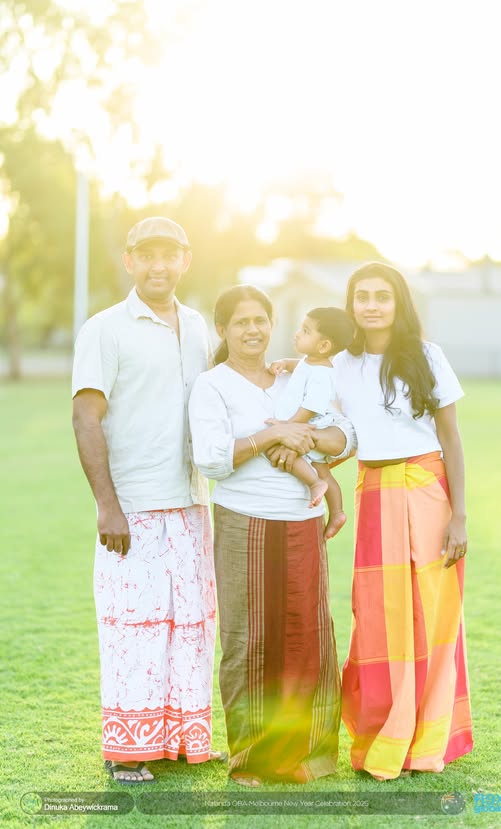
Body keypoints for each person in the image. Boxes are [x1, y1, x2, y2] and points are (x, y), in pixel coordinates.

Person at [72, 217, 222, 784]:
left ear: (186, 260)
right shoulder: (105, 329)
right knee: (132, 629)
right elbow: (86, 418)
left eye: (170, 255)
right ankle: (126, 752)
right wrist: (106, 506)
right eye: (147, 255)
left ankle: (179, 741)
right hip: (132, 506)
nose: (159, 265)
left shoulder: (199, 326)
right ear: (130, 261)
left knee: (189, 625)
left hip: (191, 503)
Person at [188, 285, 356, 786]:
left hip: (302, 523)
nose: (253, 330)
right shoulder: (212, 385)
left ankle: (307, 753)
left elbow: (346, 434)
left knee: (307, 635)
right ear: (223, 330)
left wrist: (302, 437)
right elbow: (212, 457)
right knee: (250, 640)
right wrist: (273, 436)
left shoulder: (295, 374)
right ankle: (252, 760)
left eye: (261, 319)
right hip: (244, 520)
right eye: (241, 322)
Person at [333, 262, 473, 781]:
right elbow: (324, 418)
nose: (371, 305)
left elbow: (451, 439)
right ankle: (385, 733)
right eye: (361, 296)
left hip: (427, 491)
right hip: (375, 496)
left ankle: (427, 740)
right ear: (350, 304)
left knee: (432, 619)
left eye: (382, 296)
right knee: (379, 619)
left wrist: (459, 516)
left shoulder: (426, 356)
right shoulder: (340, 365)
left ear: (399, 303)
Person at [269, 307, 354, 539]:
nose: (297, 333)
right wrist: (287, 362)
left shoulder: (322, 375)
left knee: (294, 457)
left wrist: (287, 429)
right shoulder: (311, 362)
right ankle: (337, 512)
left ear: (324, 346)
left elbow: (309, 409)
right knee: (325, 472)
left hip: (312, 424)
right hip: (304, 425)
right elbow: (302, 366)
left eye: (305, 331)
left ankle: (315, 484)